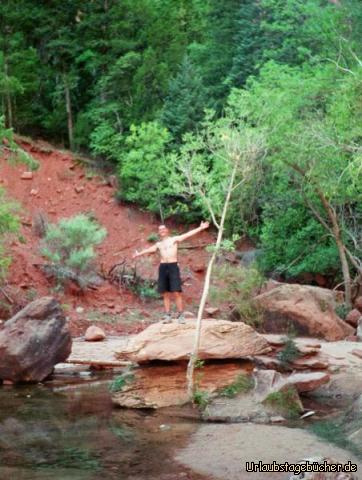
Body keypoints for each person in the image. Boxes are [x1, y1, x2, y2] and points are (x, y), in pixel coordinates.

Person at [132, 221, 210, 323]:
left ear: (167, 230)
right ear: (159, 232)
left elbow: (187, 235)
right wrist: (138, 254)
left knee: (176, 292)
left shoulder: (174, 239)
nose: (162, 231)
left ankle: (181, 315)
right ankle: (168, 315)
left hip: (173, 266)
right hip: (163, 267)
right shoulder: (159, 244)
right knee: (165, 293)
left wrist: (200, 228)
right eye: (160, 230)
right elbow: (150, 250)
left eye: (163, 229)